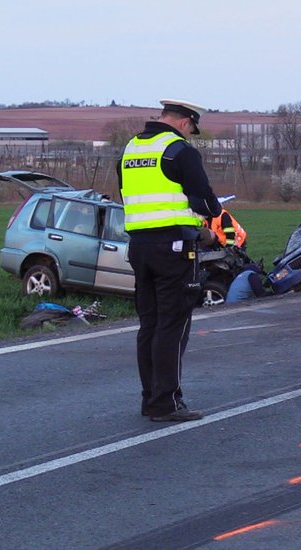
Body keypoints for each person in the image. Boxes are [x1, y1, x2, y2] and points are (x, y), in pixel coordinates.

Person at [119, 98, 222, 422]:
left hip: (139, 246)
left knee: (149, 324)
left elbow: (129, 195)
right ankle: (166, 403)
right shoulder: (179, 151)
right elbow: (206, 202)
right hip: (175, 247)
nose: (191, 134)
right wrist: (208, 217)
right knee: (173, 325)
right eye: (192, 128)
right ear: (184, 122)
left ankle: (150, 398)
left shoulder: (131, 149)